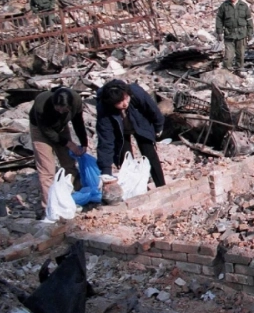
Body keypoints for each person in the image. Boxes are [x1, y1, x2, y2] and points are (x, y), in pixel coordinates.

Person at [96, 80, 166, 188]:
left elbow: (153, 110)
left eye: (126, 99)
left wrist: (158, 127)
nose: (125, 104)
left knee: (149, 154)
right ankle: (132, 187)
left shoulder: (136, 93)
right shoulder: (104, 108)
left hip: (140, 124)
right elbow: (105, 140)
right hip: (120, 131)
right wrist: (106, 170)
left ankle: (161, 186)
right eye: (119, 102)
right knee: (125, 160)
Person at [29, 87, 88, 216]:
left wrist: (84, 142)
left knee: (68, 162)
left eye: (64, 109)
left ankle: (75, 195)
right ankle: (50, 207)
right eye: (58, 108)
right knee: (47, 170)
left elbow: (78, 122)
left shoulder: (76, 100)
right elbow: (47, 132)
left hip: (61, 126)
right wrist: (68, 143)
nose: (61, 111)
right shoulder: (41, 104)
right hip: (41, 130)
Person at [215, 0, 253, 73]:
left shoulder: (244, 6)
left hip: (241, 34)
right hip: (229, 34)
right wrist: (219, 32)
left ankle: (239, 69)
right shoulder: (224, 6)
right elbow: (219, 19)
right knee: (229, 55)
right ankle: (227, 70)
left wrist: (250, 33)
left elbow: (249, 20)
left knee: (241, 54)